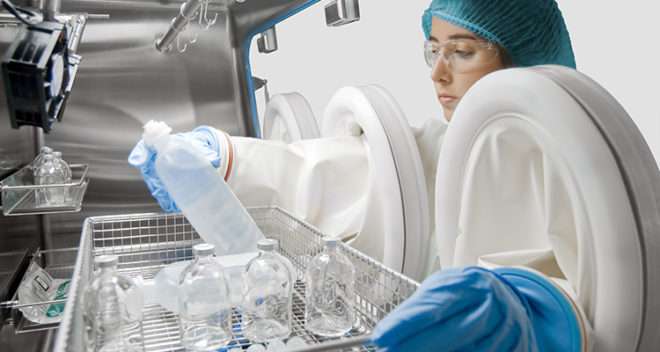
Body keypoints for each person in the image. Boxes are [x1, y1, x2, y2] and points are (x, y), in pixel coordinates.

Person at [129, 0, 587, 350]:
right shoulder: (446, 143)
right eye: (433, 51)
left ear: (522, 56)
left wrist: (541, 317)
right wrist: (225, 163)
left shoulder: (581, 164)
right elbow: (345, 174)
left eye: (462, 52)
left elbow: (621, 292)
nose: (438, 74)